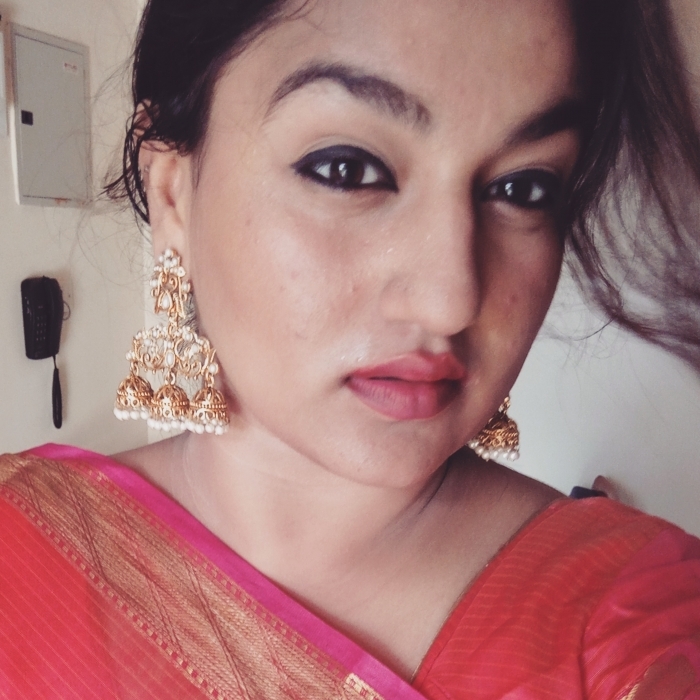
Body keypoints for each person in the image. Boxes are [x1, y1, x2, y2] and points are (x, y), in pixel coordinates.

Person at [2, 0, 700, 698]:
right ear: (173, 192)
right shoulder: (18, 553)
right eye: (347, 169)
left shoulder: (637, 624)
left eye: (524, 187)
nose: (451, 300)